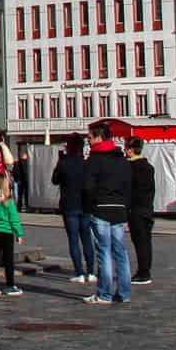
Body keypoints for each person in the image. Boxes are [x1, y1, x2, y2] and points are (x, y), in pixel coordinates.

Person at [81, 121, 132, 305]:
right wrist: (125, 206)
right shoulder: (121, 159)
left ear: (99, 137)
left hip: (101, 208)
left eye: (90, 138)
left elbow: (87, 187)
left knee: (104, 252)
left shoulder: (94, 159)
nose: (88, 141)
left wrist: (92, 204)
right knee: (121, 252)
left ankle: (104, 294)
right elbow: (128, 185)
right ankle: (124, 293)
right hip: (119, 209)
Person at [51, 133, 94, 283]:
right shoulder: (87, 163)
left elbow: (55, 180)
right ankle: (91, 271)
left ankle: (79, 272)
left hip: (70, 205)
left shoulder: (64, 163)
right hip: (85, 205)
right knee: (87, 238)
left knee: (74, 239)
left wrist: (59, 163)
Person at [125, 136, 155, 285]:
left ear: (130, 150)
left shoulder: (130, 167)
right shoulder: (148, 167)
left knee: (139, 242)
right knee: (146, 242)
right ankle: (145, 270)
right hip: (148, 208)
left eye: (126, 148)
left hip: (135, 210)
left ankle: (143, 273)